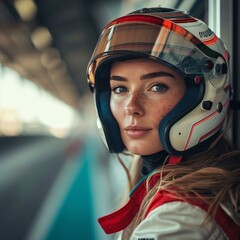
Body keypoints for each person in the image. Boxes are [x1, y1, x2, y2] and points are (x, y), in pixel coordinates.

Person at [86, 7, 240, 240]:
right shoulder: (154, 180)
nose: (131, 107)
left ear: (205, 95)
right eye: (120, 89)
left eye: (157, 87)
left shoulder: (177, 218)